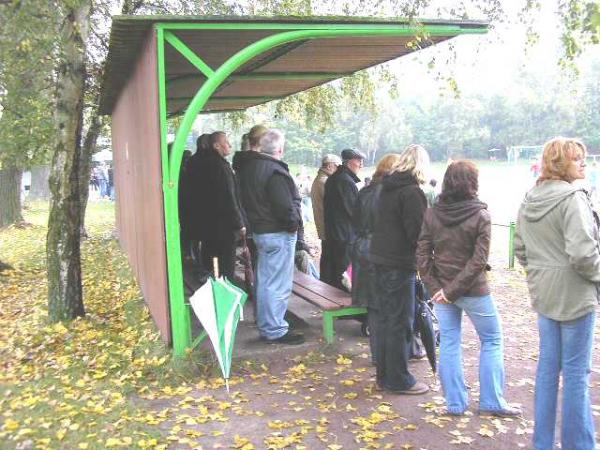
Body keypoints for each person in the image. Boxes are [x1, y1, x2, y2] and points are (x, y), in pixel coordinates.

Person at [416, 160, 520, 417]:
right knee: (492, 340)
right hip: (473, 291)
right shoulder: (481, 215)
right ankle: (491, 401)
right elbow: (478, 261)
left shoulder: (432, 213)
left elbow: (421, 253)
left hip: (442, 290)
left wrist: (437, 288)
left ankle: (455, 403)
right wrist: (448, 290)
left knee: (450, 343)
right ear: (473, 183)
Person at [514, 137, 599, 450]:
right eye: (578, 160)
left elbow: (520, 249)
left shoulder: (530, 197)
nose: (584, 165)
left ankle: (543, 443)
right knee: (576, 373)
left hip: (544, 294)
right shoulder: (573, 197)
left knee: (548, 370)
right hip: (575, 295)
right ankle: (581, 445)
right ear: (561, 164)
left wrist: (540, 273)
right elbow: (583, 254)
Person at [369, 144, 430, 395]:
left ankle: (385, 375)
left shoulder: (386, 188)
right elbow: (417, 233)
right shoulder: (412, 193)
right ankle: (398, 378)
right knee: (399, 321)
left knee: (385, 320)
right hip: (398, 263)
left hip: (380, 259)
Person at [236, 129, 305, 345]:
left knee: (266, 282)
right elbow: (284, 207)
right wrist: (293, 225)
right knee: (277, 284)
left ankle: (268, 324)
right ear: (280, 149)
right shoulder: (274, 172)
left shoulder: (250, 168)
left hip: (261, 231)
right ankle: (275, 328)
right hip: (278, 233)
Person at [352, 154, 401, 365]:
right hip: (381, 250)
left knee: (373, 305)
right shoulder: (389, 194)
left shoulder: (365, 191)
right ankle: (391, 357)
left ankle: (377, 355)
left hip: (363, 248)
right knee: (390, 305)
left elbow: (354, 220)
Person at [194, 131, 245, 279]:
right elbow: (229, 197)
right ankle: (224, 291)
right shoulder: (221, 167)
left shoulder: (202, 164)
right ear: (216, 146)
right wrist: (239, 223)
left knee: (213, 260)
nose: (229, 145)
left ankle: (216, 283)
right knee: (226, 264)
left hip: (208, 224)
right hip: (223, 226)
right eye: (226, 141)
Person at [322, 149, 365, 290]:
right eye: (359, 161)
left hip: (335, 236)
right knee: (343, 279)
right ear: (349, 162)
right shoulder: (345, 181)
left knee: (334, 277)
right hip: (345, 238)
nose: (361, 165)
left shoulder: (334, 179)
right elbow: (354, 212)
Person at [311, 154, 342, 280]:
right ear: (330, 165)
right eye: (337, 166)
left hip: (324, 226)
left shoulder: (320, 179)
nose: (339, 169)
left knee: (327, 258)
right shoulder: (325, 182)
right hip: (328, 227)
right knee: (329, 260)